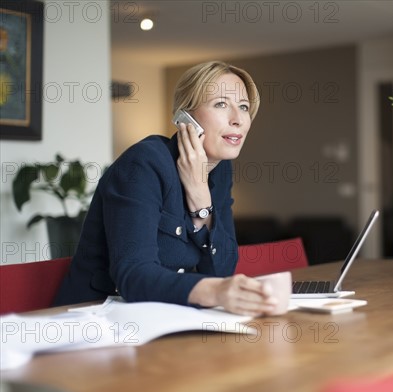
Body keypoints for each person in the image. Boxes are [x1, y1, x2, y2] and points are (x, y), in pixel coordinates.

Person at [54, 61, 278, 316]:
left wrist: (201, 199)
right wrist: (215, 292)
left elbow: (222, 271)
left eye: (244, 107)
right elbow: (133, 277)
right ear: (186, 116)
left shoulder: (221, 170)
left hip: (162, 315)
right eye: (221, 104)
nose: (238, 120)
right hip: (94, 319)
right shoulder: (143, 165)